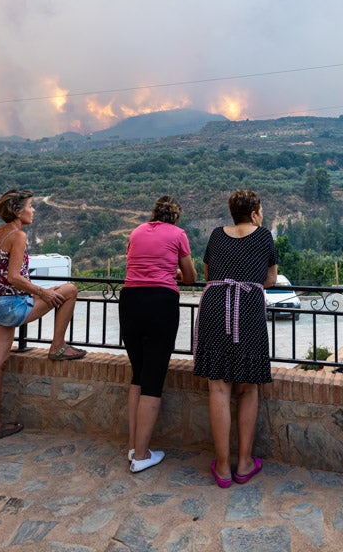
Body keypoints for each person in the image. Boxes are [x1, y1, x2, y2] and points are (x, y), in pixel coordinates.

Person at [0, 189, 84, 443]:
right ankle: (57, 346)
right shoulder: (18, 236)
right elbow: (14, 276)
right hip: (12, 305)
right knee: (69, 290)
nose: (33, 210)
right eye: (30, 206)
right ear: (18, 211)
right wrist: (42, 292)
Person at [193, 190, 277, 488]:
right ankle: (244, 463)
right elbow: (271, 279)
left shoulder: (216, 235)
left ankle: (224, 467)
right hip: (249, 307)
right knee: (248, 387)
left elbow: (206, 272)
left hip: (215, 304)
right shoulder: (264, 235)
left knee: (218, 386)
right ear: (254, 212)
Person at [121, 196, 196, 473]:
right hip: (160, 302)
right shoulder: (178, 235)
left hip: (130, 300)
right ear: (175, 217)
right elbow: (190, 276)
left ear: (153, 214)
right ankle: (141, 455)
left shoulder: (137, 231)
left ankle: (133, 445)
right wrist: (173, 271)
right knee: (153, 378)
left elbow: (135, 264)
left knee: (138, 374)